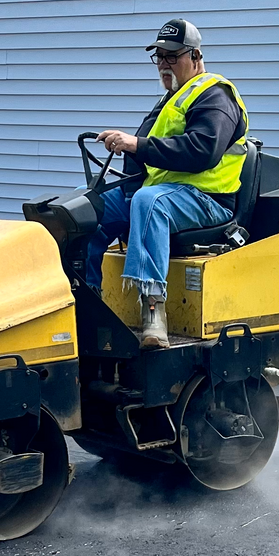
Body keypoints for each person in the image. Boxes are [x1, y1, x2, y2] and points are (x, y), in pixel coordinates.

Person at [88, 18, 250, 348]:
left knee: (149, 202)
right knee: (84, 206)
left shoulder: (215, 96)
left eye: (172, 57)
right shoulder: (170, 100)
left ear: (195, 56)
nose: (164, 64)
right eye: (159, 57)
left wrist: (136, 144)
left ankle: (153, 313)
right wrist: (124, 151)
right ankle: (88, 306)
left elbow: (202, 150)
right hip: (165, 194)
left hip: (207, 200)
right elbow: (147, 156)